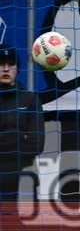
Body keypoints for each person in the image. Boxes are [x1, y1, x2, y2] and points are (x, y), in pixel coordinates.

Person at [0, 44, 44, 202]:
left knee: (23, 228)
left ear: (17, 68)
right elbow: (27, 142)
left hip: (24, 182)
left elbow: (37, 145)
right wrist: (19, 135)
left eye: (10, 64)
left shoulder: (31, 100)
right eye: (1, 64)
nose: (5, 69)